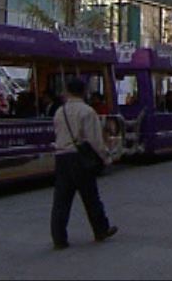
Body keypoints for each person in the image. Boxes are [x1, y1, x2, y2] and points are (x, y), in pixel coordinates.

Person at [51, 77, 118, 250]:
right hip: (80, 158)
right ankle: (101, 229)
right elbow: (94, 139)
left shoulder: (60, 111)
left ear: (68, 91)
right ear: (83, 92)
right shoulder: (87, 111)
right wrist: (106, 157)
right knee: (91, 196)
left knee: (61, 199)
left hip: (61, 157)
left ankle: (59, 238)